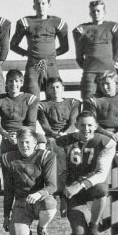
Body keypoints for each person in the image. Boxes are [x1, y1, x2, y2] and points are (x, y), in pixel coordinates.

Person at [55, 111, 116, 235]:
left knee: (101, 189)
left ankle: (94, 226)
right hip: (71, 191)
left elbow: (101, 173)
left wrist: (80, 184)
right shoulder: (62, 142)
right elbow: (60, 173)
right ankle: (91, 227)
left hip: (91, 186)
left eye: (90, 125)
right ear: (76, 125)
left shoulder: (106, 142)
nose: (86, 129)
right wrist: (63, 198)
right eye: (82, 125)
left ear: (96, 126)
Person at [1, 127, 57, 235]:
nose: (24, 145)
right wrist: (6, 215)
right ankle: (26, 231)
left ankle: (42, 228)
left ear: (35, 143)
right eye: (21, 142)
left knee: (50, 203)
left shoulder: (46, 156)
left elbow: (52, 186)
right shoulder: (8, 158)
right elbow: (8, 189)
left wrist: (38, 194)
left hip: (41, 200)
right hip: (22, 202)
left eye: (27, 142)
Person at [10, 0, 69, 96]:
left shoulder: (57, 22)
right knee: (32, 96)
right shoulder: (26, 22)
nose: (41, 6)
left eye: (43, 3)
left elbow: (65, 47)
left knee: (54, 96)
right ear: (34, 6)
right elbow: (13, 45)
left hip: (51, 64)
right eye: (38, 4)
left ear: (49, 5)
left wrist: (52, 55)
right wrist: (27, 53)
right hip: (33, 65)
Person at [38, 77, 81, 208]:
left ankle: (74, 186)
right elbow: (45, 126)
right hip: (53, 137)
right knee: (54, 149)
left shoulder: (73, 103)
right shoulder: (42, 105)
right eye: (52, 87)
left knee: (76, 151)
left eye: (57, 87)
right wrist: (57, 134)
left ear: (63, 88)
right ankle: (59, 191)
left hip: (69, 134)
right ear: (47, 90)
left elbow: (74, 122)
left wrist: (66, 133)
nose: (55, 90)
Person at [73, 0, 118, 99]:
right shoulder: (82, 29)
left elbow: (116, 52)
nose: (96, 13)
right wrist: (89, 66)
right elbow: (79, 55)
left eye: (98, 11)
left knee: (110, 101)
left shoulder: (113, 27)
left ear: (104, 12)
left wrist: (107, 63)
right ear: (90, 13)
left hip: (108, 70)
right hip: (90, 71)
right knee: (88, 100)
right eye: (93, 11)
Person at [83, 70, 118, 151]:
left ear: (116, 83)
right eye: (102, 84)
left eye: (108, 84)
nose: (105, 87)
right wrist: (105, 133)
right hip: (99, 134)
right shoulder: (93, 100)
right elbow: (90, 123)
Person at [0, 69, 39, 155]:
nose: (14, 84)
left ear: (21, 83)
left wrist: (19, 134)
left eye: (16, 81)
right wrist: (7, 134)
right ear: (6, 83)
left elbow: (31, 124)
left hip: (23, 133)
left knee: (41, 138)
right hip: (4, 133)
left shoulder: (30, 99)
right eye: (11, 81)